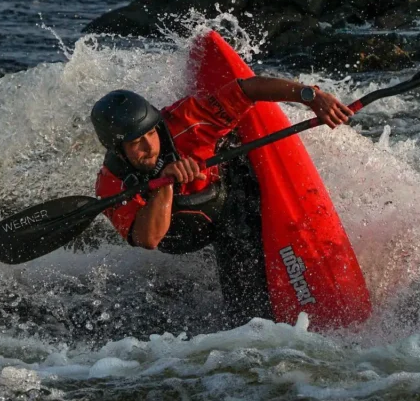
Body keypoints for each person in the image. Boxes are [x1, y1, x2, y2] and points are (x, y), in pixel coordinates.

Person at [91, 76, 353, 326]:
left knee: (241, 204)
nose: (149, 146)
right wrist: (165, 185)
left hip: (224, 201)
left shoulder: (186, 120)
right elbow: (148, 239)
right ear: (117, 149)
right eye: (136, 142)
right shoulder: (111, 184)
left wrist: (310, 95)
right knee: (246, 314)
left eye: (150, 134)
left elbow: (247, 89)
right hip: (182, 233)